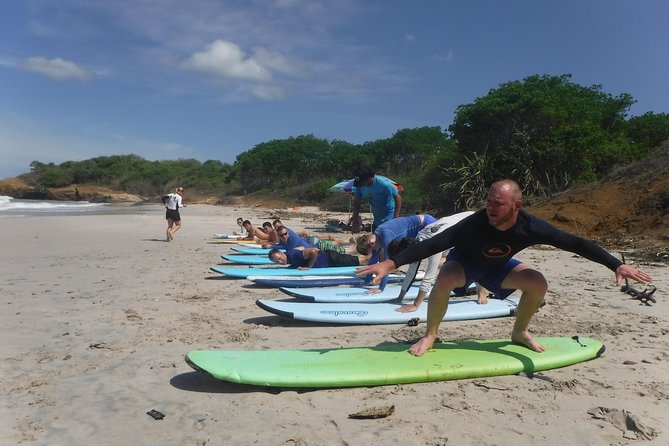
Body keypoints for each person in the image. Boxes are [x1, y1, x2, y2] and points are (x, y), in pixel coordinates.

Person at [356, 179, 652, 356]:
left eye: (498, 203)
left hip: (498, 269)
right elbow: (437, 243)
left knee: (537, 282)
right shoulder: (475, 223)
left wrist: (614, 264)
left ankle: (520, 332)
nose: (491, 208)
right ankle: (431, 334)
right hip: (465, 264)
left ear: (517, 206)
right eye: (489, 201)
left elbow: (573, 243)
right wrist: (391, 262)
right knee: (445, 278)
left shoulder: (530, 226)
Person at [356, 214, 438, 293]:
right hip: (419, 227)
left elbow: (387, 265)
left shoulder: (386, 237)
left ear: (371, 239)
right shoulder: (376, 237)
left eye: (371, 246)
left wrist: (381, 288)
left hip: (427, 224)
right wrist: (367, 281)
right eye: (369, 248)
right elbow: (373, 260)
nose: (372, 247)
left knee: (432, 257)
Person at [351, 165, 402, 231]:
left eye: (362, 182)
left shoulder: (384, 184)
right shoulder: (360, 186)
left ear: (370, 178)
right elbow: (357, 202)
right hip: (376, 217)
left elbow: (398, 198)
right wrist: (355, 218)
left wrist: (396, 218)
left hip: (389, 216)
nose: (361, 185)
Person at [268, 247, 368, 269]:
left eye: (280, 258)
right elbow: (301, 248)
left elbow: (313, 251)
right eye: (278, 261)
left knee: (360, 261)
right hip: (329, 258)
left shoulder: (294, 255)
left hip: (330, 258)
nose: (281, 261)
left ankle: (378, 259)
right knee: (358, 259)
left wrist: (309, 266)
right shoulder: (290, 255)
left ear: (281, 253)